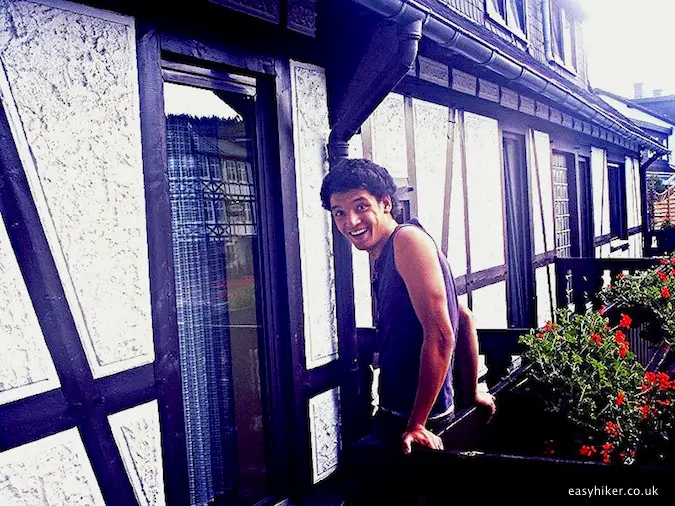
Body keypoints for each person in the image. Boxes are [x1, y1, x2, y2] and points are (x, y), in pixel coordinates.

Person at [320, 158, 495, 455]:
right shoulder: (389, 249)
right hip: (408, 414)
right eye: (340, 213)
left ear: (385, 203)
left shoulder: (407, 241)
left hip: (418, 422)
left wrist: (416, 424)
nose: (350, 221)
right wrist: (471, 388)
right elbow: (462, 316)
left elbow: (441, 335)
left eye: (361, 207)